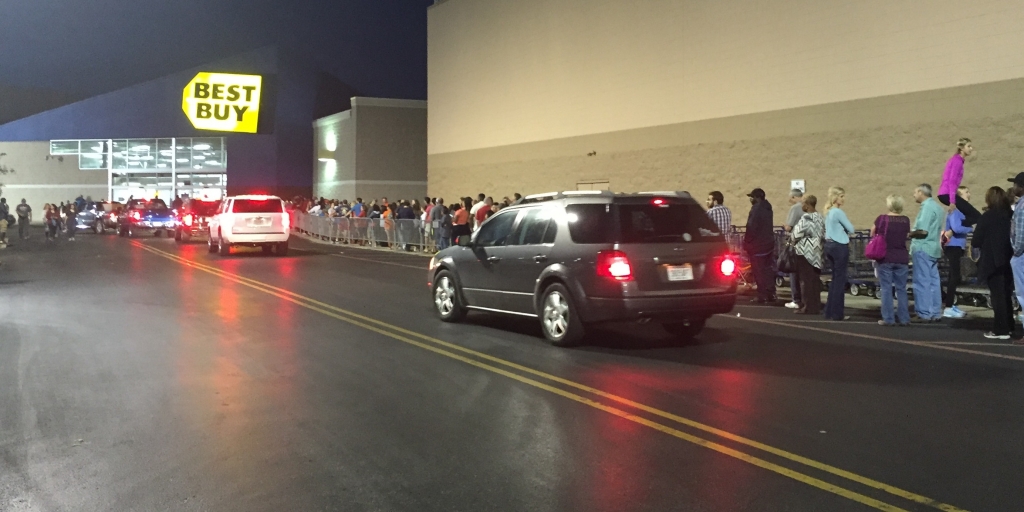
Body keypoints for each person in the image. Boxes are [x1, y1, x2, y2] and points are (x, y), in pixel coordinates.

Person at [971, 187, 1014, 339]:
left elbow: (976, 240)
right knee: (1006, 293)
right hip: (1009, 258)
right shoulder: (1010, 214)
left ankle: (1000, 329)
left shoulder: (987, 216)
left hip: (992, 260)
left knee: (997, 296)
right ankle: (1009, 325)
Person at [871, 195, 912, 326]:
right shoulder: (905, 220)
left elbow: (873, 233)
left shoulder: (881, 219)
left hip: (885, 257)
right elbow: (906, 235)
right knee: (901, 289)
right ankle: (904, 318)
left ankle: (888, 318)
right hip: (901, 257)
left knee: (886, 289)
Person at [909, 184, 945, 322]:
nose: (914, 195)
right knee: (934, 281)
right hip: (934, 248)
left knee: (922, 281)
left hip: (923, 247)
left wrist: (910, 233)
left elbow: (923, 231)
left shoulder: (926, 207)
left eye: (915, 192)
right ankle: (935, 312)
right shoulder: (938, 207)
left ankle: (924, 312)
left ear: (921, 192)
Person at [823, 186, 854, 321]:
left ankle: (829, 311)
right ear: (835, 197)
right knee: (840, 281)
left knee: (835, 279)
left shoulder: (828, 212)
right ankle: (837, 313)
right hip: (839, 246)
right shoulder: (838, 212)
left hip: (829, 245)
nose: (843, 199)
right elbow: (851, 228)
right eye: (841, 196)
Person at [790, 195, 824, 314]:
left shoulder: (806, 219)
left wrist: (791, 241)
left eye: (803, 203)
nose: (802, 206)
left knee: (805, 281)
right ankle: (815, 305)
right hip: (816, 251)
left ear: (808, 205)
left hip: (804, 252)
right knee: (814, 280)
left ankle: (807, 306)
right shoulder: (819, 217)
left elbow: (795, 235)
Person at [942, 186, 973, 318]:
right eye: (966, 192)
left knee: (954, 276)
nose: (969, 194)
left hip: (957, 246)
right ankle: (948, 307)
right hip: (953, 246)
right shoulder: (955, 210)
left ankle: (950, 305)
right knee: (954, 276)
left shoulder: (961, 210)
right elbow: (956, 228)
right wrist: (970, 228)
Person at [937, 138, 981, 226]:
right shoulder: (957, 161)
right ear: (962, 148)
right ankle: (957, 226)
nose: (971, 148)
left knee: (970, 214)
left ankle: (958, 225)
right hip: (946, 194)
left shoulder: (957, 160)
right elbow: (952, 181)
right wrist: (952, 201)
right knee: (977, 216)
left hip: (946, 194)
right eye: (968, 146)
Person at [743, 188, 776, 303]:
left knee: (759, 271)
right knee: (768, 270)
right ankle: (771, 293)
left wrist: (746, 242)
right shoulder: (768, 208)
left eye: (752, 197)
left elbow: (751, 227)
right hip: (769, 243)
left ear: (757, 197)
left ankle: (762, 295)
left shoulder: (756, 209)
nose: (750, 199)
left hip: (757, 245)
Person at [783, 189, 805, 309]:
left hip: (796, 242)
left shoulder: (795, 208)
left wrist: (785, 226)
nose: (789, 200)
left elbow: (789, 226)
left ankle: (796, 300)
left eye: (790, 197)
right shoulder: (807, 207)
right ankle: (804, 298)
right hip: (807, 243)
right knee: (804, 273)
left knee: (794, 272)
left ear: (794, 197)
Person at [1008, 173, 1024, 326]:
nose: (1014, 188)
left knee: (1022, 293)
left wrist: (1016, 252)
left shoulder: (1022, 206)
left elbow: (1020, 233)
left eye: (1016, 185)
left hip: (1021, 255)